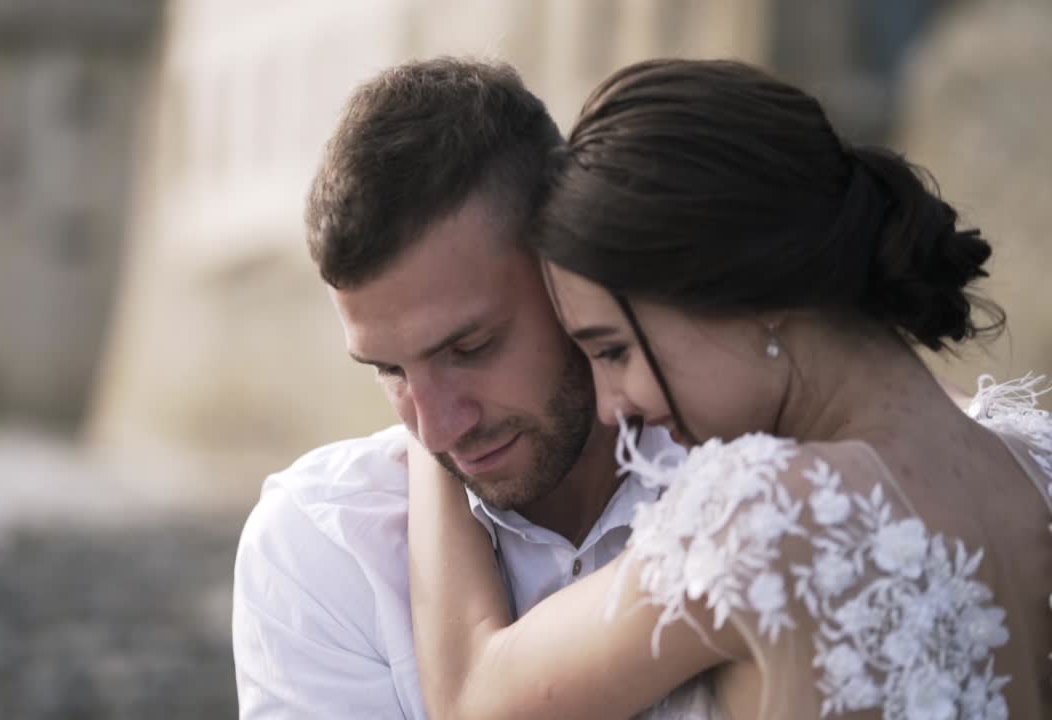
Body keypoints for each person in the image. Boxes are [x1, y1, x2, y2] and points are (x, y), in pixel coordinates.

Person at [408, 58, 1052, 720]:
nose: (611, 403)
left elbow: (473, 701)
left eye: (614, 350)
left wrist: (433, 428)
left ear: (750, 292)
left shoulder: (769, 512)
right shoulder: (1036, 466)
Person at [230, 58, 678, 719]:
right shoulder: (321, 547)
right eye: (389, 371)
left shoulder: (743, 481)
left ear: (572, 273)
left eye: (468, 350)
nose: (436, 430)